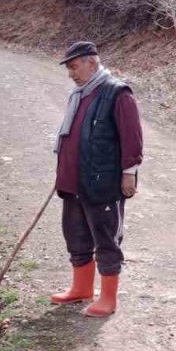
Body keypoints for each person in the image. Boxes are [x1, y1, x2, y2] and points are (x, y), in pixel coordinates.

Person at [48, 41, 144, 318]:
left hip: (102, 183)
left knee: (106, 239)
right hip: (73, 183)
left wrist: (129, 173)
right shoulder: (79, 95)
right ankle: (81, 289)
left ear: (92, 62)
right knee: (76, 236)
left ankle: (108, 298)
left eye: (74, 67)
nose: (71, 74)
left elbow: (132, 138)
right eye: (69, 68)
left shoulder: (117, 93)